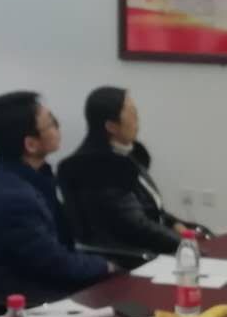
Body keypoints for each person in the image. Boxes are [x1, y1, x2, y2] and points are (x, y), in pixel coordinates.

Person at [0, 91, 111, 303]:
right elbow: (54, 264)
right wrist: (106, 266)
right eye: (51, 123)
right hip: (30, 300)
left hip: (48, 284)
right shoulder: (10, 198)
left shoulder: (33, 177)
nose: (58, 127)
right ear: (31, 145)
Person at [57, 86, 190, 255]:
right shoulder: (94, 167)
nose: (137, 119)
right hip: (128, 257)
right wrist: (183, 244)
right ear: (111, 126)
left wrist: (173, 224)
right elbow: (134, 226)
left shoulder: (126, 154)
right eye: (132, 113)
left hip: (152, 246)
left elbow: (150, 210)